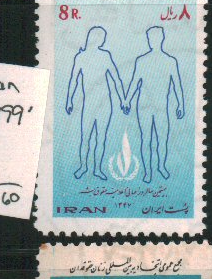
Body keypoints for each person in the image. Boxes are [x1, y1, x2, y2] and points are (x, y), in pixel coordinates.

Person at [121, 26, 185, 186]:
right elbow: (135, 83)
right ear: (149, 40)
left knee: (162, 139)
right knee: (146, 139)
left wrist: (181, 104)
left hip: (162, 107)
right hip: (144, 107)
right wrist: (127, 100)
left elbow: (177, 84)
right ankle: (148, 172)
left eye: (155, 38)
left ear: (162, 39)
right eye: (151, 38)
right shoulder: (141, 61)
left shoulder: (170, 61)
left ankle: (161, 167)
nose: (153, 41)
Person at [64, 25, 127, 183]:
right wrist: (69, 99)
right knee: (85, 138)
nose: (102, 40)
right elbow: (73, 80)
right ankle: (83, 167)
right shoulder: (80, 57)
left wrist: (123, 100)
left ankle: (97, 169)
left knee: (100, 138)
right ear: (96, 39)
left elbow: (116, 79)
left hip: (105, 105)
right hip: (89, 105)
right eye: (101, 37)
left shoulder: (105, 56)